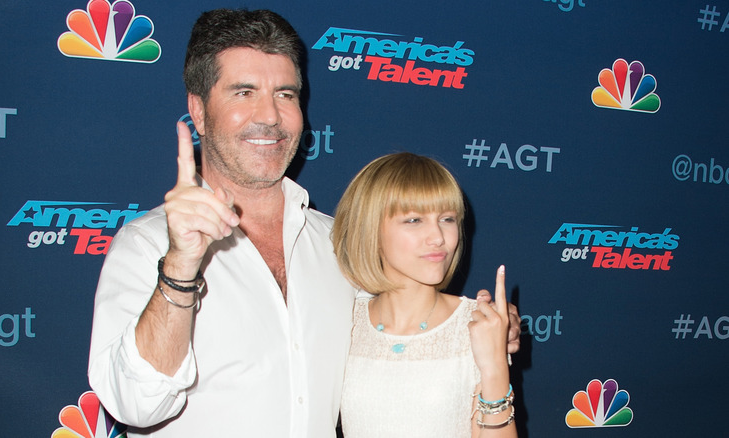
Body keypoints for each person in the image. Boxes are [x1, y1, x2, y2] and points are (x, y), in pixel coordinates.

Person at [87, 8, 520, 438]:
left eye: (285, 94)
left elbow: (406, 327)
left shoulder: (337, 243)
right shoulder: (147, 246)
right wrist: (181, 267)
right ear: (198, 112)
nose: (270, 115)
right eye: (243, 92)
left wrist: (485, 333)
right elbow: (134, 404)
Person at [333, 152, 517, 437]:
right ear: (370, 228)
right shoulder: (343, 320)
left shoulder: (479, 325)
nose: (438, 237)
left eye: (447, 219)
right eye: (414, 220)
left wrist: (494, 367)